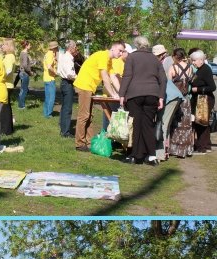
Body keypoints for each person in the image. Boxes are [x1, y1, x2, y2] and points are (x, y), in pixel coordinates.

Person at [119, 36, 167, 165]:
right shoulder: (155, 59)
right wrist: (161, 97)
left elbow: (127, 76)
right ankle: (151, 156)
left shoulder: (132, 57)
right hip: (152, 94)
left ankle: (135, 155)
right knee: (148, 124)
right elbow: (163, 79)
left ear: (136, 45)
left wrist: (122, 95)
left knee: (136, 124)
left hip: (135, 94)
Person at [74, 41, 125, 151]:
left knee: (90, 115)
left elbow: (113, 78)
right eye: (120, 51)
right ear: (113, 48)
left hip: (90, 87)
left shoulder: (110, 60)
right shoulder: (103, 55)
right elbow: (105, 78)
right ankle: (79, 143)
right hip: (84, 85)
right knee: (84, 115)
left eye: (123, 52)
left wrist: (121, 94)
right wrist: (113, 94)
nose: (121, 54)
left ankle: (89, 141)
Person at [167, 48, 194, 158]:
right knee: (186, 124)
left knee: (175, 123)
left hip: (175, 98)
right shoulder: (190, 68)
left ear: (175, 56)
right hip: (186, 98)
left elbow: (168, 83)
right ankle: (185, 149)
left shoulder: (173, 68)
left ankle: (175, 149)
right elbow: (191, 81)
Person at [190, 50, 216, 153]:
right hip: (200, 99)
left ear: (201, 60)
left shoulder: (205, 70)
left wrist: (198, 89)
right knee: (201, 123)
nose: (193, 62)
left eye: (194, 60)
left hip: (205, 100)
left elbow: (212, 87)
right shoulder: (200, 69)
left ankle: (203, 147)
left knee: (201, 123)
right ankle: (206, 145)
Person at [57, 40, 77, 138]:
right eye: (75, 47)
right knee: (68, 108)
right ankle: (65, 132)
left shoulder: (62, 56)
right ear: (71, 48)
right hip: (68, 83)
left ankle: (63, 127)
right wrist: (78, 78)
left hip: (63, 82)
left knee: (64, 107)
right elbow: (70, 74)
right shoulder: (69, 58)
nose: (76, 49)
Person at [0, 39, 16, 135]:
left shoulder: (10, 57)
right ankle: (7, 129)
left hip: (6, 84)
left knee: (4, 108)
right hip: (7, 84)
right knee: (6, 107)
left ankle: (6, 130)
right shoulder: (7, 56)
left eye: (4, 45)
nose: (2, 46)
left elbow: (9, 70)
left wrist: (0, 76)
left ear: (9, 46)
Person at [43, 41, 58, 118]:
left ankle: (45, 113)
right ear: (54, 48)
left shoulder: (47, 54)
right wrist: (55, 72)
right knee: (51, 97)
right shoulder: (50, 54)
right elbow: (49, 66)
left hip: (46, 78)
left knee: (47, 97)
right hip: (50, 78)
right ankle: (49, 114)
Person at [17, 40, 33, 109]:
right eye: (29, 45)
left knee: (22, 89)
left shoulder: (22, 53)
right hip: (25, 73)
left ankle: (20, 104)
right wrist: (30, 72)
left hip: (22, 73)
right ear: (26, 46)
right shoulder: (25, 53)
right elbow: (25, 65)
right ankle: (21, 106)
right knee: (24, 90)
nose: (30, 46)